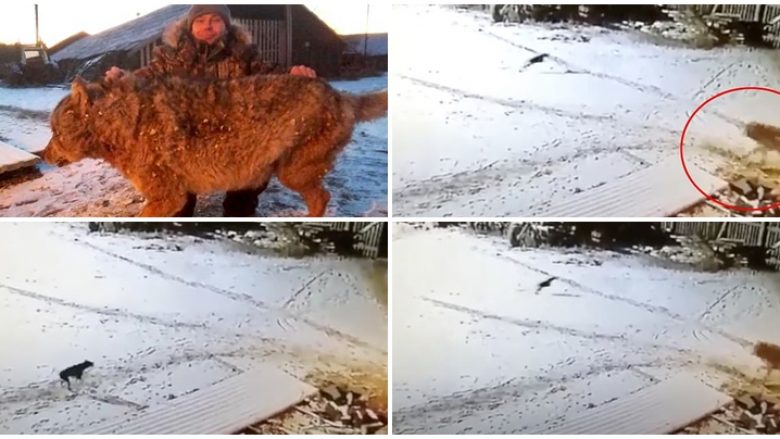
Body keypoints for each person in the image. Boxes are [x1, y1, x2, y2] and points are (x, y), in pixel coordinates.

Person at [105, 5, 317, 216]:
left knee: (249, 180)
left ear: (226, 25)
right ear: (190, 26)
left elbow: (269, 75)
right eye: (200, 20)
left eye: (215, 20)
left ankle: (239, 212)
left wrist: (293, 74)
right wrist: (121, 76)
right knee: (179, 195)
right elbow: (144, 77)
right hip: (187, 135)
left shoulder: (243, 55)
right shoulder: (170, 57)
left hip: (236, 131)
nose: (208, 26)